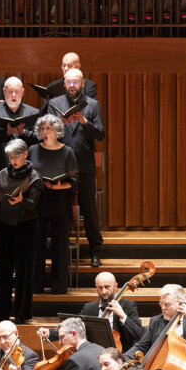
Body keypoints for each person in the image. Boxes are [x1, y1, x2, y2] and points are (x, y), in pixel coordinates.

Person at [48, 67, 105, 266]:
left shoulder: (92, 104)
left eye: (76, 82)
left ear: (82, 84)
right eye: (69, 82)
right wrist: (60, 125)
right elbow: (46, 133)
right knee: (62, 209)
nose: (72, 86)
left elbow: (100, 134)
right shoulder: (54, 104)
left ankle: (95, 251)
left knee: (89, 209)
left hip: (85, 165)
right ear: (64, 84)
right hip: (60, 165)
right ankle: (62, 251)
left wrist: (85, 121)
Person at [0, 139, 44, 323]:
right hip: (5, 224)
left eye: (17, 156)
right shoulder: (3, 173)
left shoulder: (34, 177)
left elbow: (34, 205)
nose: (14, 160)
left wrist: (21, 201)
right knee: (3, 270)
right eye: (11, 157)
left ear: (25, 154)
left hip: (25, 226)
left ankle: (22, 314)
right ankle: (1, 314)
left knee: (24, 270)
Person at [29, 114, 78, 295]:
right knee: (37, 244)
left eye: (48, 128)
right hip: (39, 200)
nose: (45, 132)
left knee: (60, 245)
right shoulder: (33, 149)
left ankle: (59, 287)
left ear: (57, 130)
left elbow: (75, 180)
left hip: (60, 200)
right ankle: (36, 285)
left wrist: (59, 185)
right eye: (42, 129)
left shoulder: (67, 152)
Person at [42, 272, 144, 352]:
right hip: (92, 354)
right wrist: (50, 332)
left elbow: (139, 334)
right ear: (96, 287)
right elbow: (73, 326)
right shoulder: (89, 308)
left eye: (107, 287)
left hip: (120, 355)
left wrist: (122, 316)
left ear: (115, 286)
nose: (104, 291)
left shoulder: (128, 306)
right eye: (100, 287)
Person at [0, 77, 40, 181]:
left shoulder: (33, 112)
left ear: (22, 92)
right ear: (4, 91)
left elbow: (39, 138)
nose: (13, 95)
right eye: (10, 91)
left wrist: (23, 132)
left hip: (25, 170)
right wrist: (7, 132)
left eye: (17, 91)